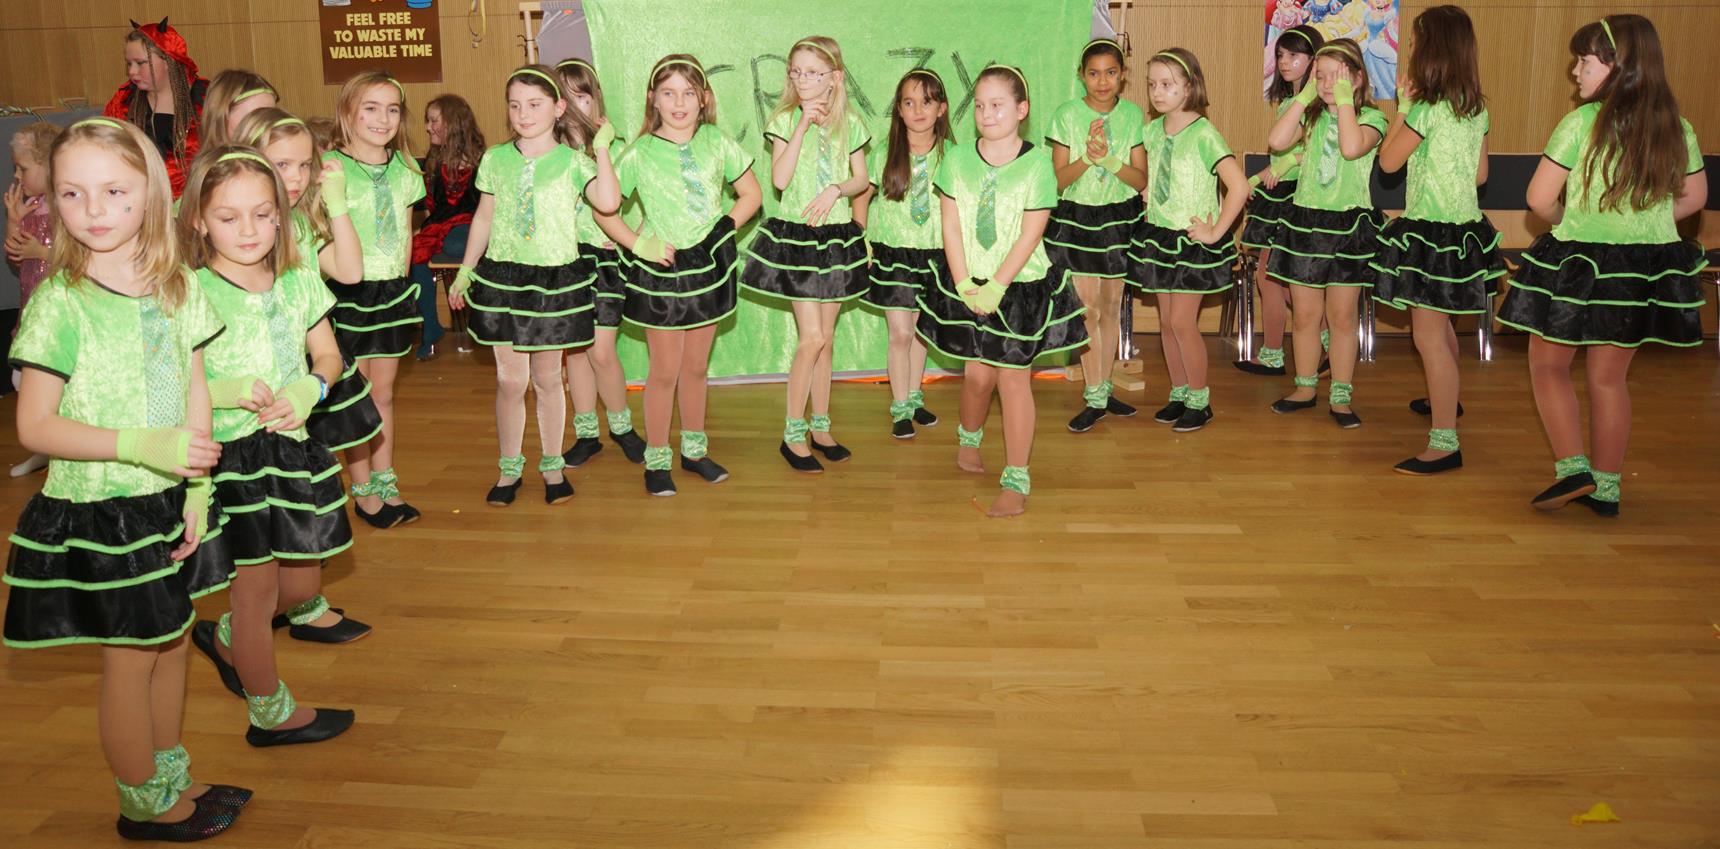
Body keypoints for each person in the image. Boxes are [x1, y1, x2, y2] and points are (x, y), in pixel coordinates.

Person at [3, 116, 246, 841]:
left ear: (150, 193)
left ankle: (170, 773)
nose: (94, 210)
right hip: (103, 509)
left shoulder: (177, 285)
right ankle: (143, 802)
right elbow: (34, 426)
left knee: (172, 640)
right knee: (131, 657)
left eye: (114, 191)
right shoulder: (60, 300)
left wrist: (198, 485)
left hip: (168, 497)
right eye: (72, 193)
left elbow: (196, 384)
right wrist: (139, 443)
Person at [177, 147, 357, 747]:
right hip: (234, 459)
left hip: (293, 447)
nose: (248, 230)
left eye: (261, 214)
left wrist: (312, 386)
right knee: (256, 592)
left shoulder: (300, 278)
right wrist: (224, 391)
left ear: (280, 214)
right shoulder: (189, 291)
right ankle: (270, 712)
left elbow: (327, 353)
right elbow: (172, 384)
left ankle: (230, 637)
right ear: (200, 220)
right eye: (228, 217)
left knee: (301, 587)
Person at [1497, 14, 1708, 516]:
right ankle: (1608, 488)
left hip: (1581, 264)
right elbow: (1695, 197)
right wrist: (1646, 223)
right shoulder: (1675, 126)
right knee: (1609, 378)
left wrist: (1570, 219)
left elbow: (1539, 199)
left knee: (1548, 363)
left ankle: (1574, 469)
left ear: (1619, 66)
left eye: (1585, 62)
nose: (1575, 71)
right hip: (1641, 269)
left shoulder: (1580, 123)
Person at [914, 66, 1088, 518]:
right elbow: (950, 224)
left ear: (1021, 110)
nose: (986, 113)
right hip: (968, 281)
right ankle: (968, 439)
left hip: (1018, 286)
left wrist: (998, 284)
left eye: (997, 105)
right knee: (977, 377)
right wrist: (963, 283)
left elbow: (1032, 231)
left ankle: (1016, 478)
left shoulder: (1037, 164)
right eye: (980, 105)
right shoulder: (956, 159)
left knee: (1012, 378)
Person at [447, 66, 620, 506]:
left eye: (535, 104)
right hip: (504, 278)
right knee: (510, 380)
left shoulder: (573, 162)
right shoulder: (495, 160)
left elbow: (608, 201)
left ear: (558, 108)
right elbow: (484, 217)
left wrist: (602, 149)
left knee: (547, 379)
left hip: (553, 280)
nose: (523, 114)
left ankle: (552, 466)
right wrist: (466, 270)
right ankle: (509, 469)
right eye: (515, 105)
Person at [595, 55, 762, 497]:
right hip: (661, 271)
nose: (679, 102)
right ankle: (656, 459)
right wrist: (637, 244)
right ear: (653, 99)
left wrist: (722, 231)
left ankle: (694, 451)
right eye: (668, 93)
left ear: (704, 98)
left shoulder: (716, 141)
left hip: (706, 268)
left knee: (696, 367)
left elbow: (751, 194)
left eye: (688, 93)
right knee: (664, 370)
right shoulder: (640, 152)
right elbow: (604, 209)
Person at [1371, 5, 1505, 475]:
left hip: (1430, 232)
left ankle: (1445, 442)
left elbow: (1388, 163)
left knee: (1427, 336)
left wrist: (1403, 109)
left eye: (1413, 42)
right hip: (1465, 231)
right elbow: (1481, 174)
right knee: (1443, 328)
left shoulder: (1426, 110)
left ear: (1431, 50)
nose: (1409, 49)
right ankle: (1445, 400)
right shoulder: (1476, 106)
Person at [740, 36, 872, 473]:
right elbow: (779, 180)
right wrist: (800, 126)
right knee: (811, 338)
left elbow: (861, 179)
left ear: (834, 77)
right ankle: (792, 433)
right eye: (795, 71)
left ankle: (821, 427)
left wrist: (837, 189)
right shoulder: (783, 118)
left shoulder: (850, 123)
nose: (802, 79)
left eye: (812, 73)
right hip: (797, 238)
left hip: (834, 238)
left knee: (826, 340)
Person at [1263, 39, 1388, 429]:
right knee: (1304, 315)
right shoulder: (1312, 116)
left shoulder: (1373, 119)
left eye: (1338, 76)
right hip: (1306, 223)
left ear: (1358, 78)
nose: (1328, 83)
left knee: (1342, 317)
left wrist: (1345, 102)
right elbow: (1276, 141)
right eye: (1321, 76)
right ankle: (1304, 388)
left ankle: (1341, 396)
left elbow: (1350, 148)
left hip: (1348, 226)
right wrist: (1304, 97)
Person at [1127, 48, 1249, 433]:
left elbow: (1239, 186)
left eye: (1167, 84)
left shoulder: (1204, 133)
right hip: (1160, 237)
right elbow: (1148, 178)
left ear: (1190, 86)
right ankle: (1179, 393)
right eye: (1152, 84)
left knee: (1182, 321)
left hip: (1192, 241)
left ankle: (1200, 400)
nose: (1157, 92)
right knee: (1166, 322)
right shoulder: (1151, 131)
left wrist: (1216, 231)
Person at [1044, 38, 1148, 432]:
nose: (1102, 81)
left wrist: (1111, 161)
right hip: (1078, 218)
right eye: (1093, 73)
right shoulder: (1067, 115)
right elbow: (1056, 181)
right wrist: (1088, 158)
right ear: (1081, 76)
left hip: (1119, 218)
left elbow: (1140, 179)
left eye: (1110, 72)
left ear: (1122, 75)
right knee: (1087, 307)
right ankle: (1094, 394)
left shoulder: (1133, 115)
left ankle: (1102, 388)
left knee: (1111, 305)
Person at [853, 69, 953, 439]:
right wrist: (861, 239)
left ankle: (913, 397)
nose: (918, 110)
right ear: (898, 109)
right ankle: (899, 409)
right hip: (894, 253)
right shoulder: (885, 153)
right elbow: (861, 196)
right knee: (900, 332)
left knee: (921, 331)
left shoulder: (953, 156)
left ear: (941, 108)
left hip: (935, 255)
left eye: (926, 102)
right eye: (909, 103)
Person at [410, 94, 484, 360]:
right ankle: (430, 326)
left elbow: (488, 209)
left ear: (453, 123)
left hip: (471, 225)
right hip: (441, 224)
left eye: (433, 121)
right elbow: (432, 205)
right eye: (427, 121)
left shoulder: (482, 161)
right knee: (415, 251)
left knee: (457, 243)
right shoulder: (434, 161)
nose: (427, 127)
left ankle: (480, 318)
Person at [104, 18, 207, 197]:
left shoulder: (205, 98)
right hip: (142, 198)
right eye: (129, 63)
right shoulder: (124, 100)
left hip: (195, 199)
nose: (132, 72)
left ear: (168, 60)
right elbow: (106, 148)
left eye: (140, 63)